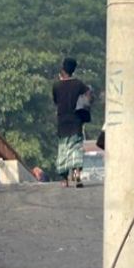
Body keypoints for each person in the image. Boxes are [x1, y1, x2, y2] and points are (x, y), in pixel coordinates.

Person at [52, 57, 93, 188]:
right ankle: (77, 173)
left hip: (62, 121)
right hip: (76, 121)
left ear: (63, 69)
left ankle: (65, 179)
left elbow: (56, 101)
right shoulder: (78, 84)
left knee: (63, 149)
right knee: (76, 148)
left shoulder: (57, 85)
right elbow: (88, 94)